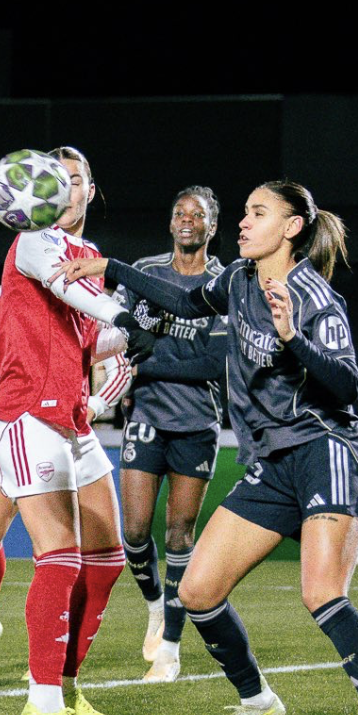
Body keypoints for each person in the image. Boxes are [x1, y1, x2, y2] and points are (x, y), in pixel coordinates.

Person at [57, 180, 358, 715]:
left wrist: (292, 339)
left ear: (291, 228)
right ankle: (257, 702)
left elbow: (349, 386)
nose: (244, 224)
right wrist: (110, 267)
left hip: (324, 450)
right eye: (246, 213)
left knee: (323, 594)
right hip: (272, 463)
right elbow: (180, 302)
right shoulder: (238, 279)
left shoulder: (314, 297)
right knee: (199, 591)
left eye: (258, 213)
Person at [0, 147, 149, 715]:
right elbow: (75, 298)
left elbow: (89, 342)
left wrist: (134, 335)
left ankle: (67, 689)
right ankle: (42, 701)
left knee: (106, 558)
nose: (64, 190)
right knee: (55, 553)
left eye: (75, 180)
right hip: (28, 417)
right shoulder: (35, 241)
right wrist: (120, 311)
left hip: (74, 419)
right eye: (57, 180)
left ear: (90, 189)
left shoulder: (87, 258)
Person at [112, 187, 230, 683]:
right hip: (147, 418)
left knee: (179, 533)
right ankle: (157, 605)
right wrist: (129, 345)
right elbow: (116, 328)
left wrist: (152, 358)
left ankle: (171, 648)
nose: (186, 220)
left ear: (211, 226)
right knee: (135, 532)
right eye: (179, 212)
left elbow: (216, 361)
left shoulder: (226, 284)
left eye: (196, 215)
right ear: (170, 223)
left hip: (198, 423)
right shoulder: (146, 271)